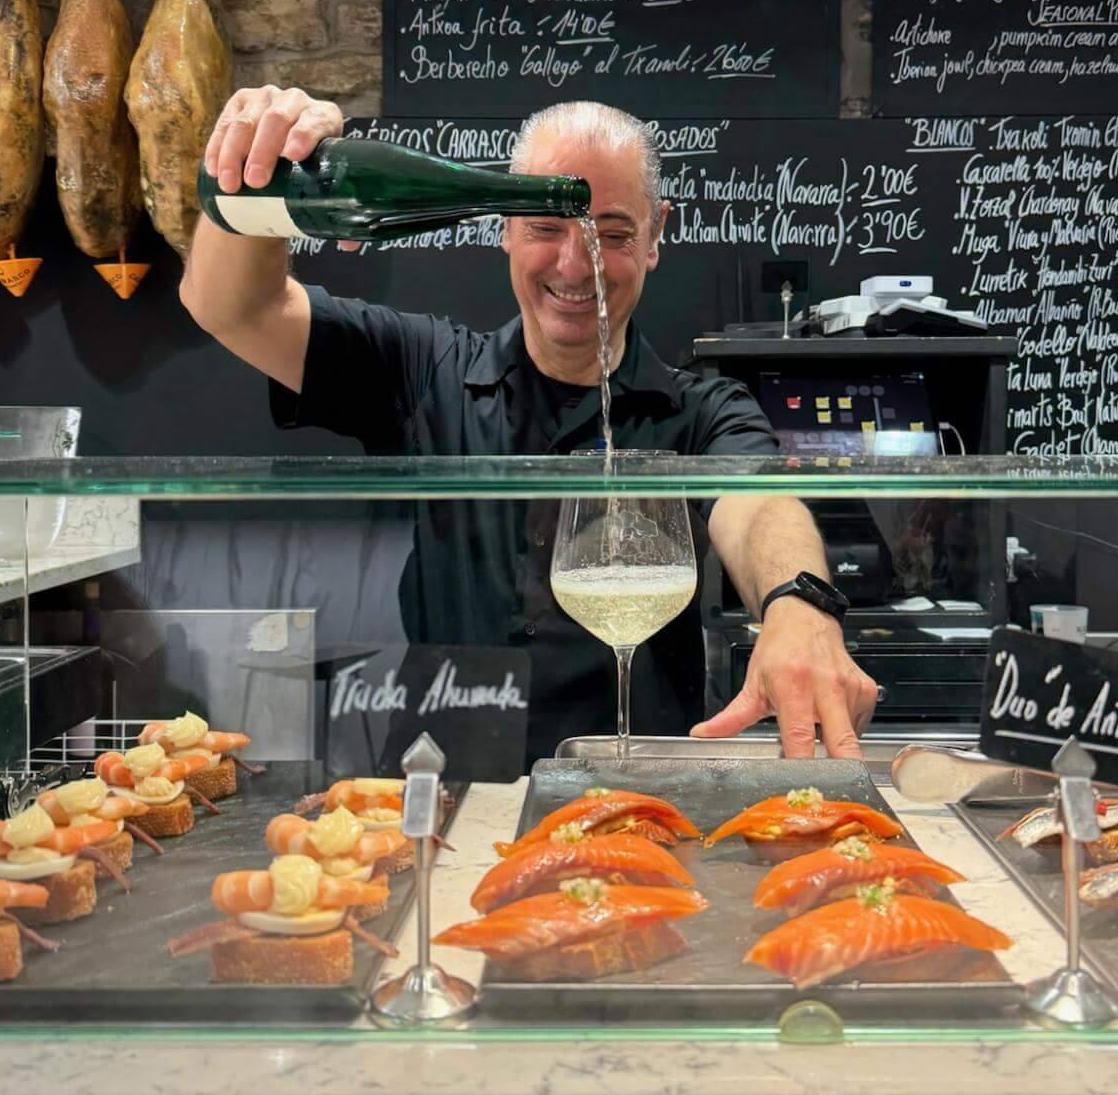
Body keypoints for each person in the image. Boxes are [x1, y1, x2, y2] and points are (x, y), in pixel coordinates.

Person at [182, 87, 879, 764]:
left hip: (634, 802)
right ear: (505, 225)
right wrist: (252, 173)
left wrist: (799, 603)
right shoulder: (424, 369)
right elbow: (229, 306)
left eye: (612, 233)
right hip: (447, 806)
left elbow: (760, 510)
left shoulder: (703, 411)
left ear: (656, 235)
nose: (577, 266)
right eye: (547, 226)